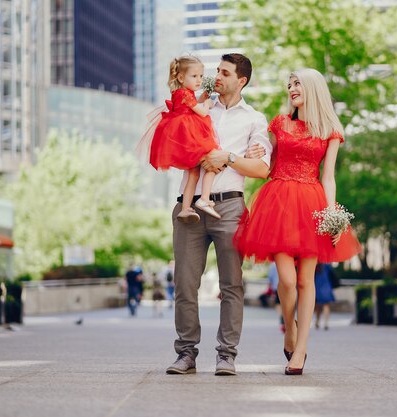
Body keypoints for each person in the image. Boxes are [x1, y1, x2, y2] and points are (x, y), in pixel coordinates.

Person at [234, 68, 362, 375]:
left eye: (297, 84)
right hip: (277, 202)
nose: (291, 88)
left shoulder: (331, 129)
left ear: (313, 89)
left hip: (312, 205)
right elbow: (267, 161)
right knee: (287, 281)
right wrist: (254, 151)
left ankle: (300, 349)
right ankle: (289, 328)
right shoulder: (280, 123)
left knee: (307, 281)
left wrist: (332, 216)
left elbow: (328, 177)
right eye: (289, 84)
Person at [166, 53, 272, 376]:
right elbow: (173, 137)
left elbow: (263, 168)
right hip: (190, 206)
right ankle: (186, 353)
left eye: (225, 72)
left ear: (241, 80)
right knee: (184, 283)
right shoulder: (198, 107)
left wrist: (228, 157)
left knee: (232, 285)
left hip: (229, 206)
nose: (217, 77)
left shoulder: (254, 119)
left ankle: (226, 355)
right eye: (217, 71)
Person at [140, 55, 221, 221]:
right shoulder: (185, 93)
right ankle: (204, 199)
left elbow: (191, 105)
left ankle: (186, 208)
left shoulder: (181, 92)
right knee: (215, 161)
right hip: (190, 134)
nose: (198, 80)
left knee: (194, 173)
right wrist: (208, 104)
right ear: (181, 77)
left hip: (184, 133)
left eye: (201, 76)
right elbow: (203, 112)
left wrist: (202, 98)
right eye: (194, 76)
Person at [314, 263, 335, 331]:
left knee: (318, 306)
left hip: (317, 286)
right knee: (326, 305)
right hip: (326, 286)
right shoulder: (327, 264)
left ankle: (317, 321)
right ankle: (326, 323)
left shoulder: (315, 264)